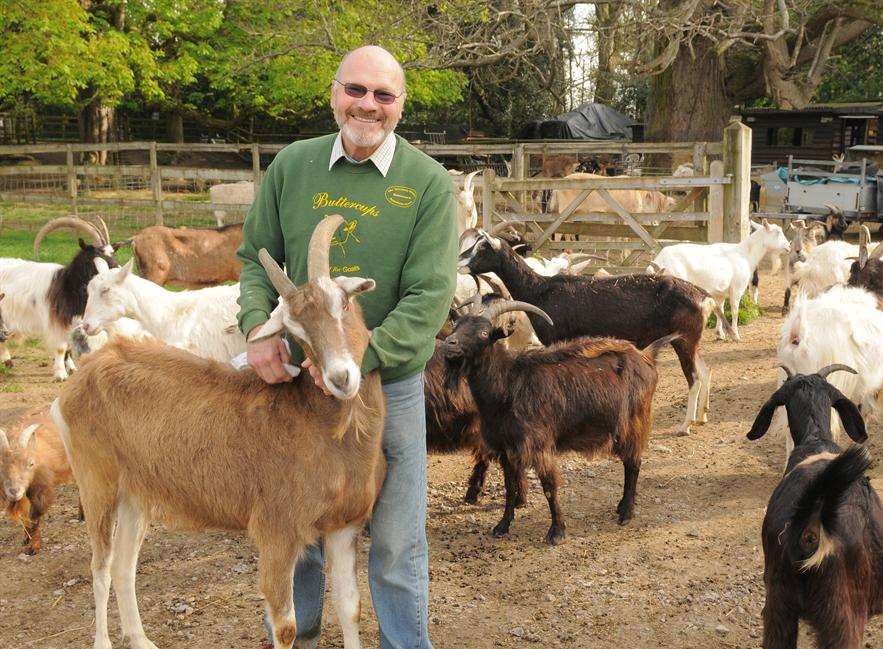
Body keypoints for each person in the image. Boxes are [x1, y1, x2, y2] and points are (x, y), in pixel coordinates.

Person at [236, 45, 458, 649]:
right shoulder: (293, 166)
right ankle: (298, 636)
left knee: (395, 537)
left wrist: (356, 358)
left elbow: (430, 295)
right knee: (296, 522)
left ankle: (405, 644)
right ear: (334, 93)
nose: (368, 105)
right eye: (356, 90)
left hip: (389, 383)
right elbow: (257, 260)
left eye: (383, 95)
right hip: (298, 383)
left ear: (400, 106)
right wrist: (259, 333)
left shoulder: (428, 185)